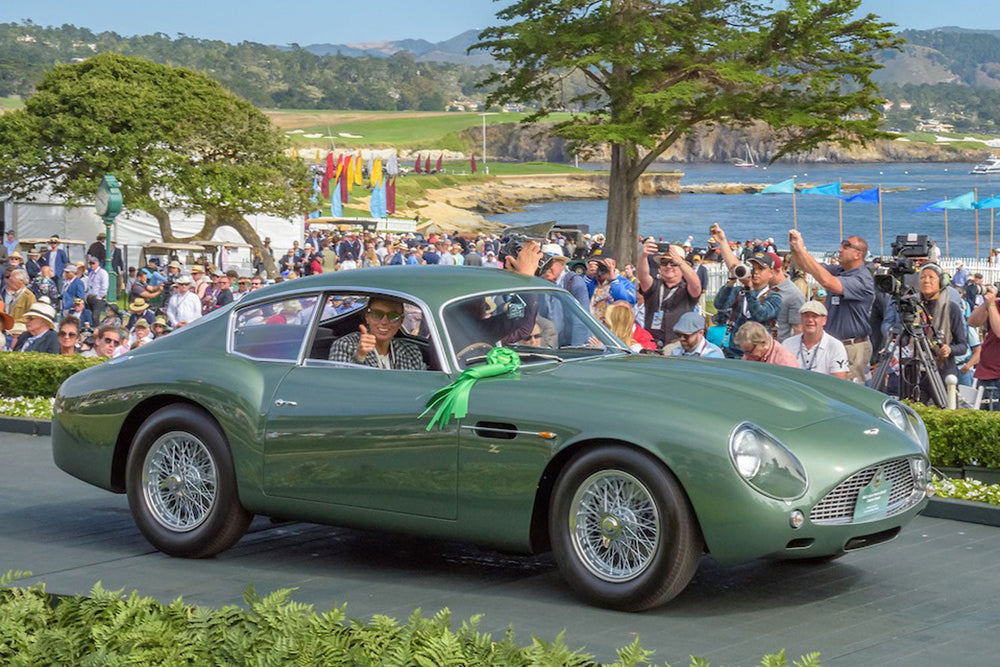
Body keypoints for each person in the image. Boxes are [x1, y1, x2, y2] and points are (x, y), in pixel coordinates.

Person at [788, 230, 874, 382]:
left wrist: (802, 249)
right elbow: (807, 266)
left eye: (846, 246)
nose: (840, 250)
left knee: (847, 394)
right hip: (832, 344)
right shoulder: (840, 271)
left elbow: (828, 282)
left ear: (858, 254)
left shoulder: (862, 279)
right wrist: (795, 248)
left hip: (852, 346)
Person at [636, 238, 701, 351]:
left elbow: (696, 285)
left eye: (673, 263)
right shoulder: (654, 286)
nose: (668, 266)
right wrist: (643, 256)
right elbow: (643, 276)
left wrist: (680, 262)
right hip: (652, 344)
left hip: (679, 346)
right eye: (664, 263)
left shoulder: (687, 289)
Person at [714, 252, 782, 359]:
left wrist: (749, 288)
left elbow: (759, 315)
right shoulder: (739, 292)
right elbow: (719, 305)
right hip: (734, 352)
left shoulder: (775, 297)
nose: (756, 272)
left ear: (771, 273)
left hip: (760, 356)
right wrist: (731, 281)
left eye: (761, 269)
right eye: (753, 268)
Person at [328, 297, 427, 370]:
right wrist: (359, 358)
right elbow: (339, 386)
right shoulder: (345, 345)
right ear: (367, 317)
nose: (384, 322)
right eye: (377, 315)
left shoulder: (411, 352)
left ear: (401, 321)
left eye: (393, 316)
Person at [781, 301, 849, 379]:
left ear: (824, 320)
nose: (810, 320)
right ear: (801, 319)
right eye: (806, 316)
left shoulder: (835, 346)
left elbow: (839, 381)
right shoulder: (787, 344)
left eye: (814, 316)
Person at [970, 284, 1000, 409]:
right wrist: (986, 303)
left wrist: (991, 305)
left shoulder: (994, 306)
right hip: (987, 374)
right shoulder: (996, 305)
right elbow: (973, 322)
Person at [770, 253, 806, 342]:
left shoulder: (794, 293)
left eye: (762, 270)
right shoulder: (764, 288)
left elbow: (798, 329)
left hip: (780, 348)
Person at [84, 256, 109, 323]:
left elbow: (104, 286)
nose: (92, 265)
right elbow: (88, 285)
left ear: (97, 263)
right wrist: (87, 296)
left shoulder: (102, 273)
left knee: (95, 317)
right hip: (90, 297)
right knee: (89, 316)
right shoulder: (91, 273)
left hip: (97, 298)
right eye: (90, 264)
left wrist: (99, 297)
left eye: (93, 263)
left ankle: (97, 330)